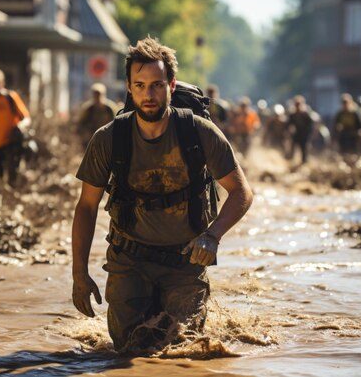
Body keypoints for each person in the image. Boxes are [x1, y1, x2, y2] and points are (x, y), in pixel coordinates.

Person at [71, 37, 253, 352]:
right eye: (139, 85)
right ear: (128, 87)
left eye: (156, 85)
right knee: (130, 350)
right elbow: (86, 207)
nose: (148, 94)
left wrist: (213, 235)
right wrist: (79, 274)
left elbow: (241, 192)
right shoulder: (109, 139)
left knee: (183, 348)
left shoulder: (198, 133)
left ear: (170, 85)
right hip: (129, 261)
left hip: (185, 262)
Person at [76, 83, 118, 148]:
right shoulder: (88, 109)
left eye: (99, 94)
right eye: (95, 94)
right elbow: (81, 124)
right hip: (92, 138)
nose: (97, 97)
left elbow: (117, 123)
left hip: (107, 139)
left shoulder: (110, 108)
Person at [286, 95, 314, 164]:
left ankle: (304, 162)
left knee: (304, 149)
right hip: (296, 134)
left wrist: (309, 133)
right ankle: (290, 161)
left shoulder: (305, 114)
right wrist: (289, 130)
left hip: (304, 135)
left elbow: (310, 124)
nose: (297, 106)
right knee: (292, 148)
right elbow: (288, 124)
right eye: (296, 104)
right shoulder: (292, 114)